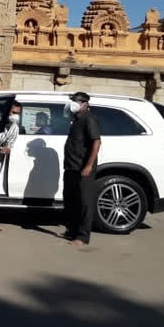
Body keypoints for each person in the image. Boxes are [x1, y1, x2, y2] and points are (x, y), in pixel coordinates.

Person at [62, 92, 101, 246]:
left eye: (75, 101)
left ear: (84, 104)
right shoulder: (76, 119)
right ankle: (71, 231)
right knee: (71, 200)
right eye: (72, 100)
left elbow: (96, 142)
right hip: (71, 167)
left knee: (85, 202)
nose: (72, 103)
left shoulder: (88, 119)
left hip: (83, 168)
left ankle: (83, 236)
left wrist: (88, 166)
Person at [0, 101, 22, 231]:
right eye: (13, 112)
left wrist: (7, 149)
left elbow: (10, 144)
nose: (15, 116)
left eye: (17, 114)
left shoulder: (14, 127)